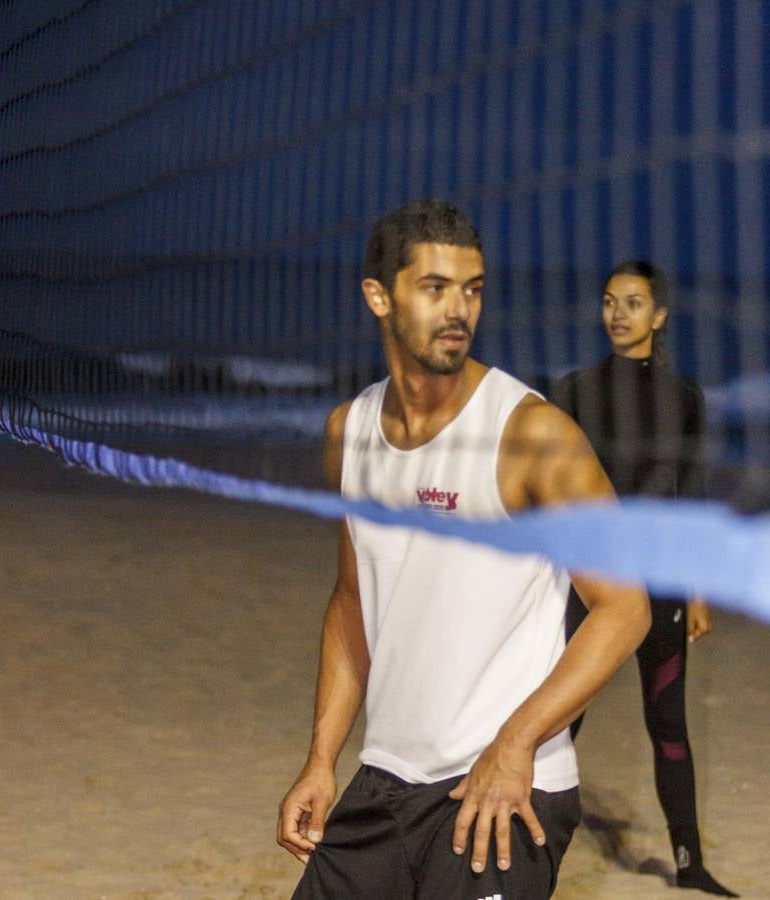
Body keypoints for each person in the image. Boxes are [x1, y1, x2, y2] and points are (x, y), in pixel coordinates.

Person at [276, 199, 651, 899]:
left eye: (472, 290)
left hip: (501, 789)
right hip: (383, 782)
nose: (458, 310)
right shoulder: (347, 432)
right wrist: (322, 759)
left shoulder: (530, 433)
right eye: (435, 288)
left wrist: (516, 742)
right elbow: (353, 600)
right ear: (378, 296)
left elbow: (622, 608)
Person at [550, 260, 738, 897]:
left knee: (669, 727)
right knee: (560, 718)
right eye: (608, 301)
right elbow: (547, 489)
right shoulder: (573, 390)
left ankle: (690, 866)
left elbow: (693, 495)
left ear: (659, 316)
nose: (618, 313)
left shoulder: (685, 398)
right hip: (592, 587)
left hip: (659, 585)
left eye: (633, 303)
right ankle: (525, 846)